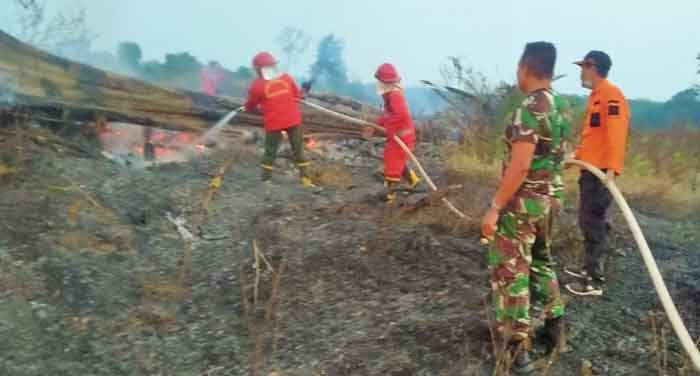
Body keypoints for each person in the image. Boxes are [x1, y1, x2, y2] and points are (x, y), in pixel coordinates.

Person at [481, 41, 572, 374]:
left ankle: (517, 350)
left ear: (525, 66)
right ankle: (555, 326)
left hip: (523, 204)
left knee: (511, 270)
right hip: (550, 201)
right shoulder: (562, 105)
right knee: (542, 263)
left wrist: (494, 207)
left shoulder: (529, 108)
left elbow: (519, 166)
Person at [565, 51, 630, 296]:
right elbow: (594, 138)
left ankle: (594, 281)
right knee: (589, 220)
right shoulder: (596, 96)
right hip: (590, 170)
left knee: (593, 223)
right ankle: (588, 268)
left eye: (583, 67)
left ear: (593, 67)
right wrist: (576, 158)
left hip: (601, 173)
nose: (581, 72)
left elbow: (616, 134)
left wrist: (612, 169)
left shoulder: (611, 95)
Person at [244, 52, 315, 187]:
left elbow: (251, 104)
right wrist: (304, 91)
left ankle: (266, 180)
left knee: (270, 151)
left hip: (274, 123)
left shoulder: (257, 85)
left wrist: (246, 107)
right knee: (298, 150)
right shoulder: (286, 78)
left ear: (259, 69)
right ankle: (306, 180)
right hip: (293, 120)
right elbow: (298, 97)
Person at [363, 63, 421, 203]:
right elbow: (388, 115)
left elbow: (400, 115)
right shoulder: (389, 95)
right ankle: (413, 180)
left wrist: (388, 129)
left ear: (385, 82)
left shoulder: (395, 95)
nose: (377, 83)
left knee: (392, 161)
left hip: (403, 135)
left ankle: (389, 193)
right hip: (399, 135)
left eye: (379, 80)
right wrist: (375, 126)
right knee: (397, 159)